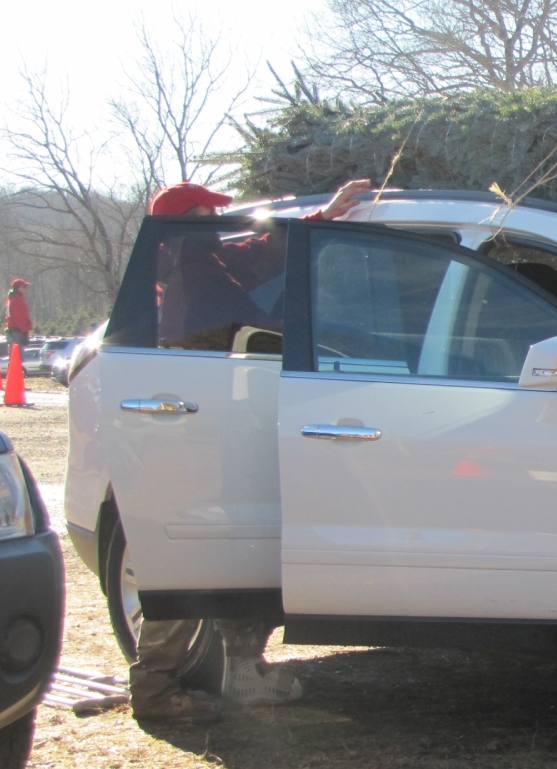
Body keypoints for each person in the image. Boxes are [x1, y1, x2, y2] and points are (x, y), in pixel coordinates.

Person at [129, 178, 374, 722]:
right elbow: (252, 311)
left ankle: (238, 670)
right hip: (194, 441)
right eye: (207, 215)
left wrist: (322, 218)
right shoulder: (196, 276)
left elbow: (259, 251)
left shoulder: (195, 261)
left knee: (224, 550)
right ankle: (155, 689)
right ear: (186, 224)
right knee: (193, 562)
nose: (220, 224)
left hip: (207, 432)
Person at [4, 278, 33, 349]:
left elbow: (7, 315)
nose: (26, 289)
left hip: (12, 331)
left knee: (13, 353)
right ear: (19, 288)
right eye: (24, 287)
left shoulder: (10, 299)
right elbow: (20, 317)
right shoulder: (17, 300)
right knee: (18, 353)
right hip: (18, 332)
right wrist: (25, 331)